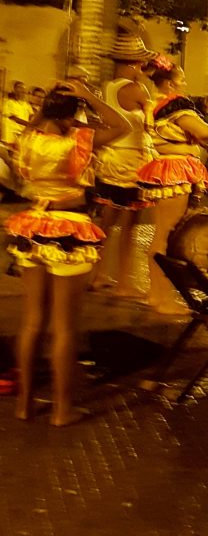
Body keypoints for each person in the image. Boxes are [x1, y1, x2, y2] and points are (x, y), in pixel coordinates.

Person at [4, 81, 129, 426]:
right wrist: (91, 96)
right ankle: (61, 410)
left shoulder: (27, 139)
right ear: (73, 112)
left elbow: (35, 125)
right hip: (69, 228)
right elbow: (123, 126)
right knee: (64, 328)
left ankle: (24, 404)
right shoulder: (77, 142)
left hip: (33, 224)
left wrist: (51, 105)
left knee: (31, 322)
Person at [137, 58, 208, 314]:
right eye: (181, 79)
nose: (184, 83)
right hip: (176, 170)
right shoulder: (174, 104)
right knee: (166, 235)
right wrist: (197, 135)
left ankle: (156, 294)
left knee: (163, 232)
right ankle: (162, 298)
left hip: (168, 165)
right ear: (169, 82)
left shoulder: (152, 103)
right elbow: (204, 132)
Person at [91, 33, 154, 298]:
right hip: (130, 161)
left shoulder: (107, 87)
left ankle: (95, 274)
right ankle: (124, 283)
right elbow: (151, 123)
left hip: (110, 158)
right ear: (135, 64)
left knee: (105, 223)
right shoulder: (137, 90)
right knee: (129, 225)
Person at [2, 81, 31, 148]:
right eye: (19, 87)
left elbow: (31, 116)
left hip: (22, 133)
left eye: (23, 88)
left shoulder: (26, 105)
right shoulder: (9, 103)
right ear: (14, 90)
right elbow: (14, 118)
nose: (22, 90)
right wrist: (29, 124)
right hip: (11, 133)